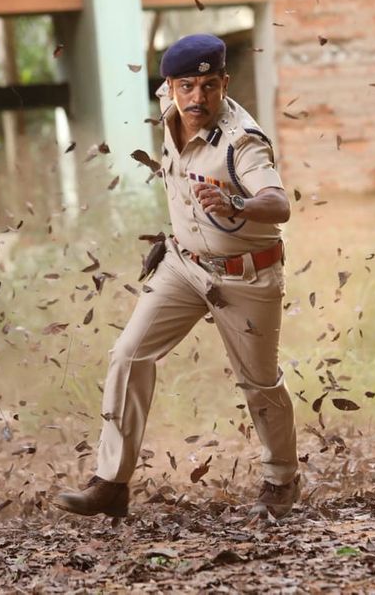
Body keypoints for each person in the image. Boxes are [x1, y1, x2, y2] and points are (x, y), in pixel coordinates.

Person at [54, 33, 300, 519]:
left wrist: (237, 203)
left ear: (225, 83)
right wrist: (175, 238)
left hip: (246, 276)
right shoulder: (171, 110)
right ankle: (111, 482)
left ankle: (281, 479)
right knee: (128, 354)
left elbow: (278, 204)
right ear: (169, 87)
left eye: (209, 86)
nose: (197, 98)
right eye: (186, 86)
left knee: (258, 382)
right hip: (184, 266)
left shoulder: (242, 141)